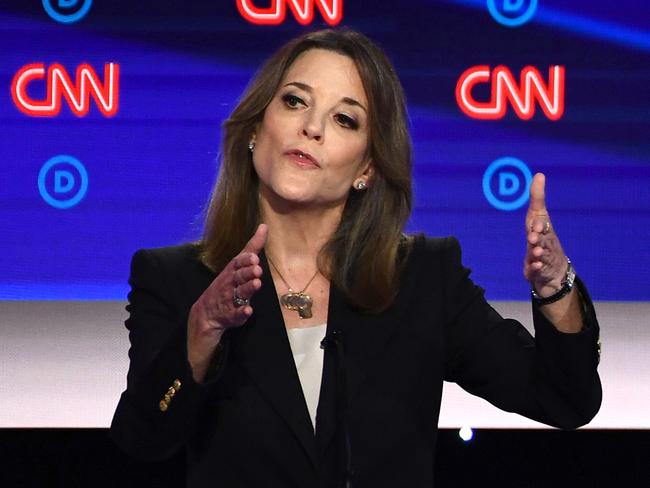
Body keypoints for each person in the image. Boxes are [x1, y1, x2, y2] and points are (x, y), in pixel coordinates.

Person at [110, 28, 601, 487]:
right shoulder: (174, 279)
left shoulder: (424, 279)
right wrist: (202, 332)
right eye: (295, 101)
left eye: (344, 118)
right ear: (257, 128)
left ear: (366, 166)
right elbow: (143, 439)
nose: (312, 128)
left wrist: (556, 284)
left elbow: (566, 399)